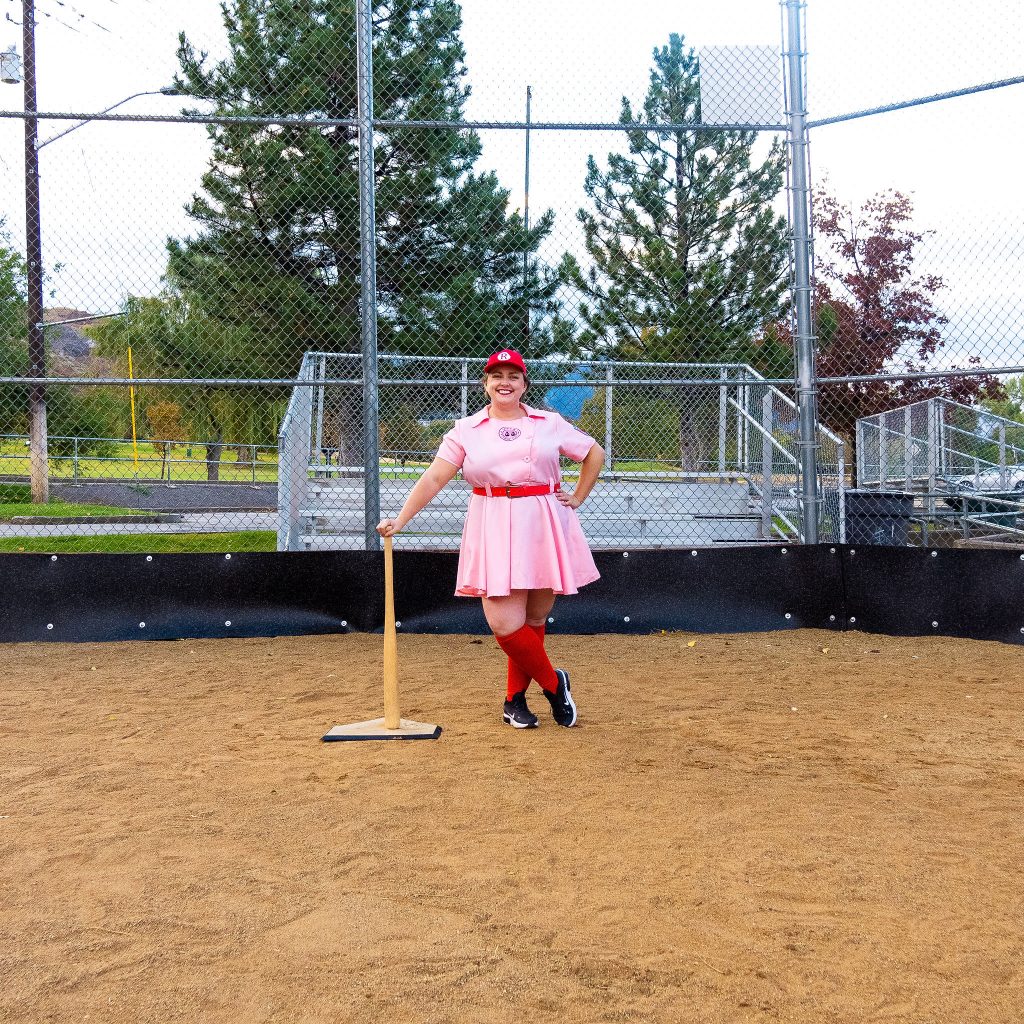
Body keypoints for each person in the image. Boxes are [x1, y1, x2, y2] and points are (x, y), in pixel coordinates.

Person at [376, 348, 604, 729]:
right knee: (504, 624)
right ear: (485, 384)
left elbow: (593, 452)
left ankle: (514, 701)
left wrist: (578, 497)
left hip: (544, 520)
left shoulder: (549, 421)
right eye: (497, 376)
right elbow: (435, 477)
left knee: (534, 618)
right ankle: (553, 684)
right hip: (493, 520)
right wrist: (401, 519)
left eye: (513, 376)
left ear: (524, 384)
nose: (505, 382)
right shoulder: (465, 429)